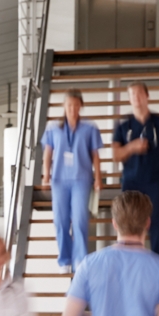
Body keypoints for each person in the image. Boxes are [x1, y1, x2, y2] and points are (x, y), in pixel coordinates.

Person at [112, 82, 159, 259]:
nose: (136, 98)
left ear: (147, 96)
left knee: (157, 224)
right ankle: (128, 262)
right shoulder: (123, 126)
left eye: (139, 94)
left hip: (156, 181)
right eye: (132, 95)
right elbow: (116, 155)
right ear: (129, 99)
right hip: (131, 182)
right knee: (129, 225)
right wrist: (132, 147)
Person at [42, 89, 103, 271]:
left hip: (81, 179)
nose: (72, 108)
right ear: (64, 106)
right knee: (60, 221)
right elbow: (47, 153)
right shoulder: (53, 128)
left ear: (80, 106)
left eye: (76, 105)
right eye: (69, 105)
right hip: (59, 180)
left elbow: (95, 155)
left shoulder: (89, 128)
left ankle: (80, 259)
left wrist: (98, 178)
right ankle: (65, 258)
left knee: (79, 220)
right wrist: (46, 174)